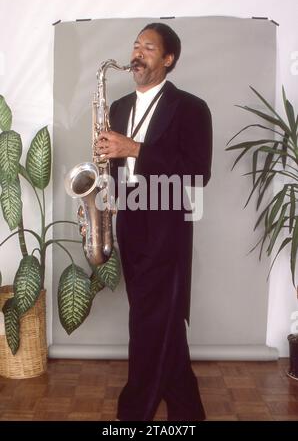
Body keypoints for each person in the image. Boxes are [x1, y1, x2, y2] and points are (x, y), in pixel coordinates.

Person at [97, 22, 212, 421]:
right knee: (159, 328)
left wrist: (134, 148)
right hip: (130, 225)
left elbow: (198, 173)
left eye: (149, 47)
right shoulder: (118, 108)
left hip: (168, 229)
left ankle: (133, 414)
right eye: (136, 46)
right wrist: (104, 193)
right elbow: (114, 167)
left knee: (148, 326)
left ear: (168, 59)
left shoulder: (192, 108)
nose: (138, 53)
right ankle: (188, 415)